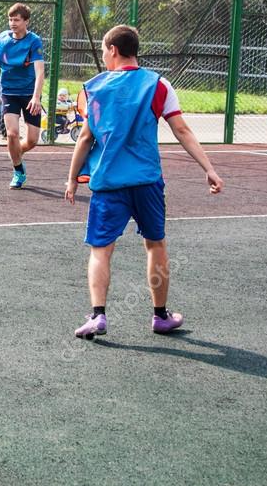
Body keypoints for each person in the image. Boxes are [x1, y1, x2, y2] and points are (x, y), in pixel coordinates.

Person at [64, 25, 223, 340]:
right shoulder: (159, 84)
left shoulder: (93, 89)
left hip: (108, 183)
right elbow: (182, 130)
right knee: (155, 245)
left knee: (100, 250)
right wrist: (209, 168)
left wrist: (72, 179)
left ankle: (98, 316)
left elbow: (84, 139)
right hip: (147, 181)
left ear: (113, 50)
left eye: (104, 50)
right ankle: (160, 316)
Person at [0, 3, 45, 188]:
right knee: (12, 134)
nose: (13, 23)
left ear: (26, 21)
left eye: (17, 20)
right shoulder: (1, 39)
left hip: (29, 94)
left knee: (33, 140)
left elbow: (40, 72)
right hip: (9, 92)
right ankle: (18, 170)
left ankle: (15, 152)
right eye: (10, 19)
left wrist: (36, 97)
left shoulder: (34, 41)